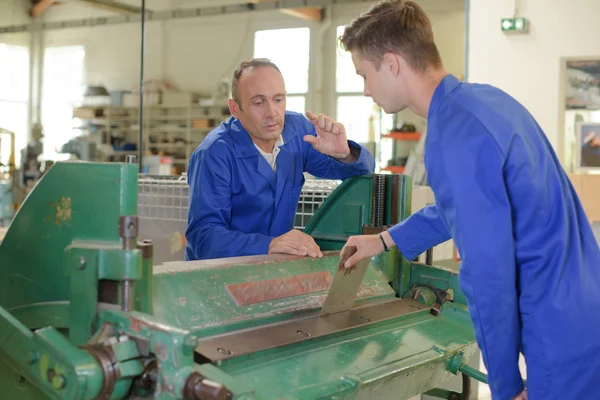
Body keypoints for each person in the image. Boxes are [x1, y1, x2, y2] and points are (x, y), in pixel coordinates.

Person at [336, 1, 600, 400]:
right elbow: (463, 207)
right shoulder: (485, 103)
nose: (365, 89)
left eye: (364, 75)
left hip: (556, 332)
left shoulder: (455, 134)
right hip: (581, 307)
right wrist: (386, 240)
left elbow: (487, 274)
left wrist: (506, 386)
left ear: (391, 64)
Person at [185, 58, 375, 261]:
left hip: (272, 269)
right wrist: (270, 244)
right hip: (215, 276)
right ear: (235, 108)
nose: (272, 113)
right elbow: (204, 239)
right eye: (258, 102)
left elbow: (362, 174)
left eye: (278, 99)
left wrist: (344, 154)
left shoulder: (298, 132)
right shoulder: (215, 154)